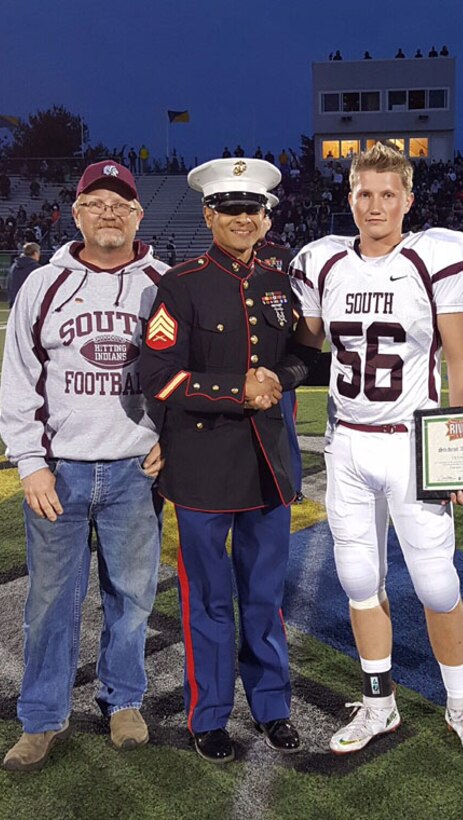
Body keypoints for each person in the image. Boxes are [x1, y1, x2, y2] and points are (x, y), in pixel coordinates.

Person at [287, 143, 463, 765]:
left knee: (437, 584)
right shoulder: (324, 263)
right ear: (348, 196)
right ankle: (380, 700)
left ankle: (460, 702)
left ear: (408, 199)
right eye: (363, 193)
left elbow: (461, 366)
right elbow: (304, 346)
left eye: (387, 194)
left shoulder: (432, 258)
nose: (374, 205)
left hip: (412, 442)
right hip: (348, 441)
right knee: (358, 579)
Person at [0, 160, 169, 771]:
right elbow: (18, 379)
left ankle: (122, 700)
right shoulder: (44, 285)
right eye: (96, 202)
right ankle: (42, 717)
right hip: (60, 472)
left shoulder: (162, 282)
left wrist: (170, 437)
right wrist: (29, 463)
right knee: (49, 600)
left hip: (134, 470)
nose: (109, 213)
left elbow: (185, 372)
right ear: (76, 213)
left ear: (138, 214)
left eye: (120, 203)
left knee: (133, 596)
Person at [139, 158, 304, 764]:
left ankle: (272, 706)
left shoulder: (281, 283)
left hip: (269, 467)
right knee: (207, 600)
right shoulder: (179, 285)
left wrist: (276, 379)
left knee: (264, 597)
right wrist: (239, 389)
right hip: (204, 466)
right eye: (230, 210)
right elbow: (155, 374)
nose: (242, 219)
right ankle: (208, 715)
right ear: (209, 215)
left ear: (265, 218)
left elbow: (303, 359)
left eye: (252, 210)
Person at [254, 200, 304, 499]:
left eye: (256, 214)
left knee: (286, 427)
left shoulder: (283, 256)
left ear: (267, 221)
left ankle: (292, 484)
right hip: (241, 359)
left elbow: (299, 304)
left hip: (278, 357)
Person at [7, 242, 42, 307]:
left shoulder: (14, 266)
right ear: (35, 253)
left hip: (15, 303)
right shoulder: (36, 268)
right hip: (30, 305)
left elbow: (10, 285)